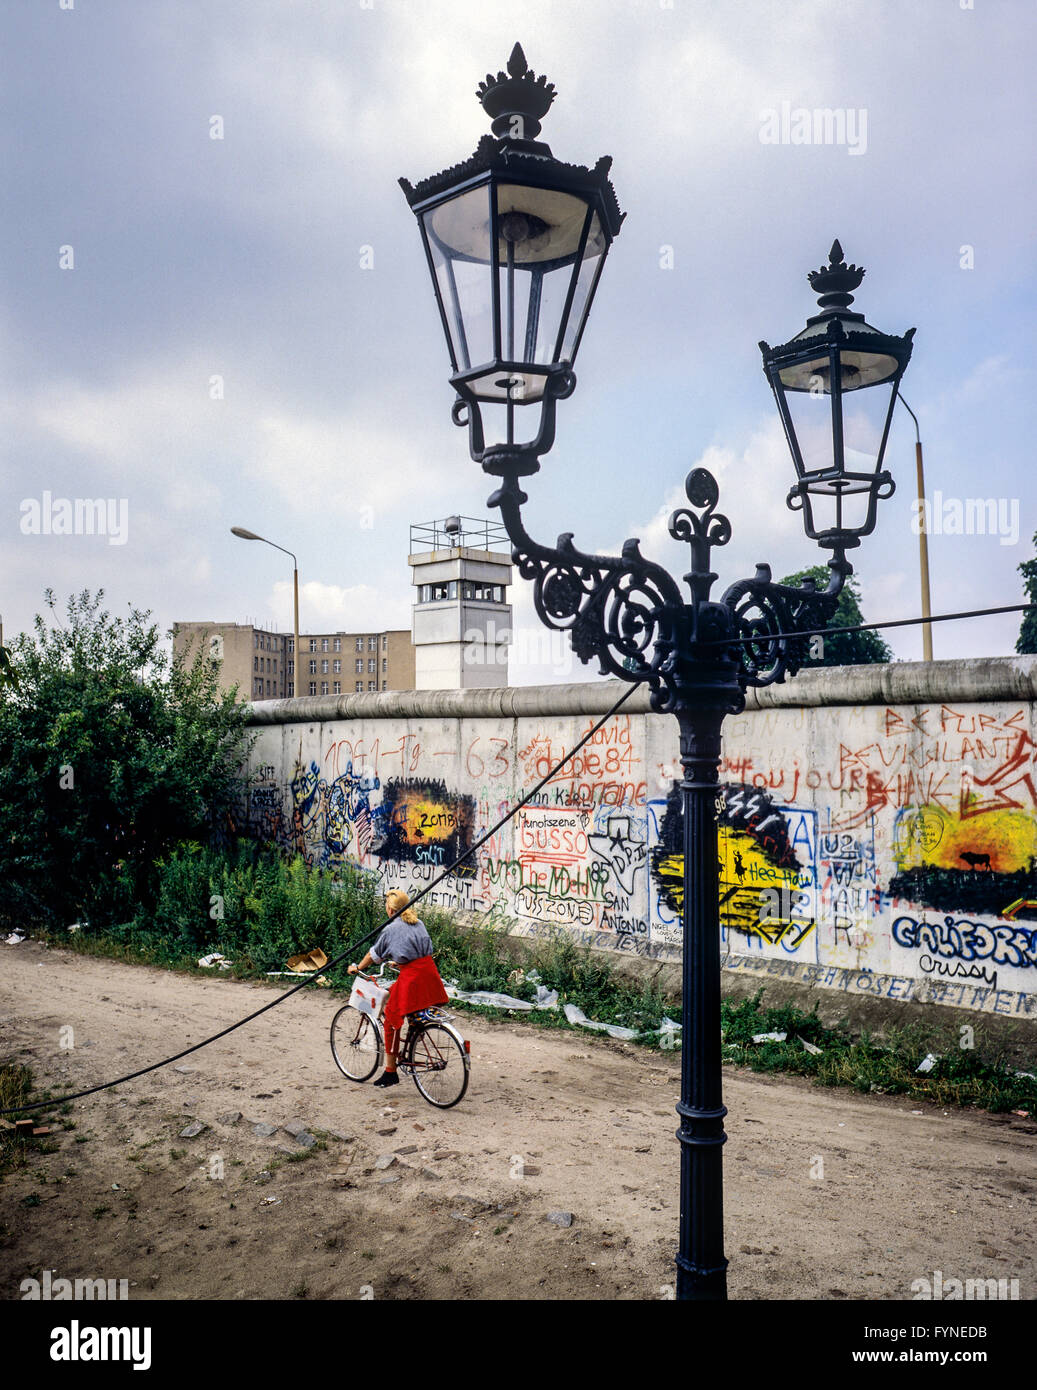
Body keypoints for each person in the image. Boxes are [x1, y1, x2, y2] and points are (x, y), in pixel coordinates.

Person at [347, 889, 449, 1088]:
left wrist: (357, 967)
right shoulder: (418, 923)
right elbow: (421, 951)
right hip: (429, 973)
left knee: (392, 1016)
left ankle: (390, 1071)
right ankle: (412, 1040)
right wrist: (401, 962)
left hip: (412, 978)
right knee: (413, 1009)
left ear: (390, 909)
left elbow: (374, 956)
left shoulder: (390, 929)